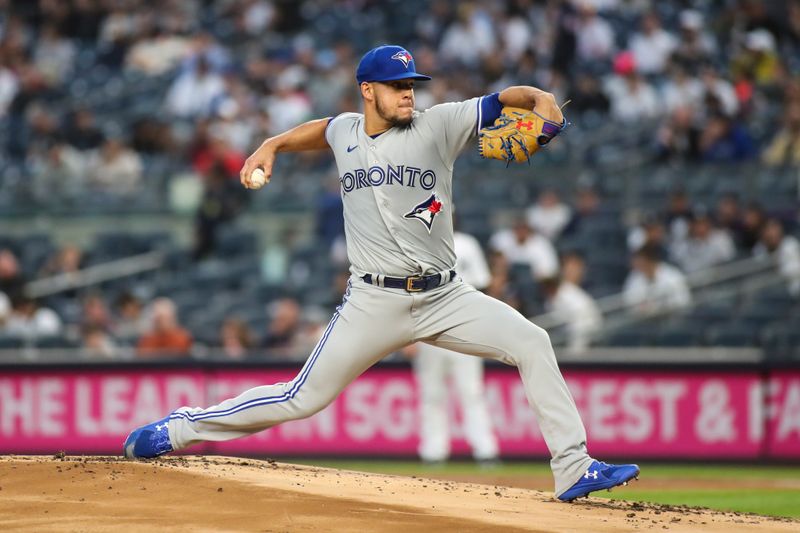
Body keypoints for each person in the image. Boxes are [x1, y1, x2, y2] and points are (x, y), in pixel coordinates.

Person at [124, 45, 638, 502]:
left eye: (412, 85)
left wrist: (543, 100)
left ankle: (572, 467)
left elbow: (510, 98)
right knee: (300, 399)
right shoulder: (346, 129)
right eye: (397, 86)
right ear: (368, 91)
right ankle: (181, 429)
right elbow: (320, 131)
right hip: (374, 302)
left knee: (533, 341)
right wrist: (272, 145)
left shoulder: (440, 124)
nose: (408, 94)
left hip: (447, 296)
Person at [412, 229, 499, 465]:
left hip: (464, 327)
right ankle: (433, 452)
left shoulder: (467, 243)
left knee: (471, 391)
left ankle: (485, 451)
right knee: (432, 394)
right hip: (428, 330)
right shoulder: (418, 241)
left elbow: (483, 284)